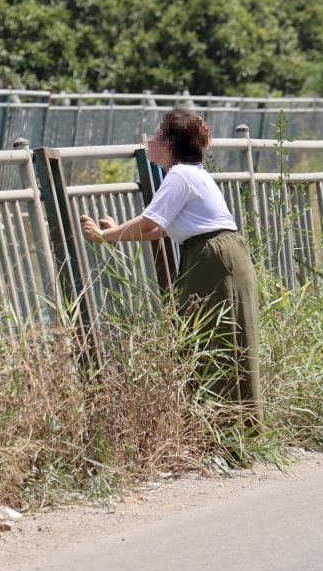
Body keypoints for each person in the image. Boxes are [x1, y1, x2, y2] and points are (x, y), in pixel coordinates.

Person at [80, 108, 262, 424]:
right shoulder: (191, 174)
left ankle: (227, 431)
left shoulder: (179, 174)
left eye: (155, 135)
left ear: (169, 144)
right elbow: (158, 229)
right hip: (216, 254)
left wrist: (101, 235)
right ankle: (230, 428)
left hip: (212, 257)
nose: (149, 141)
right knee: (220, 338)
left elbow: (149, 222)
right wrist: (113, 234)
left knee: (212, 339)